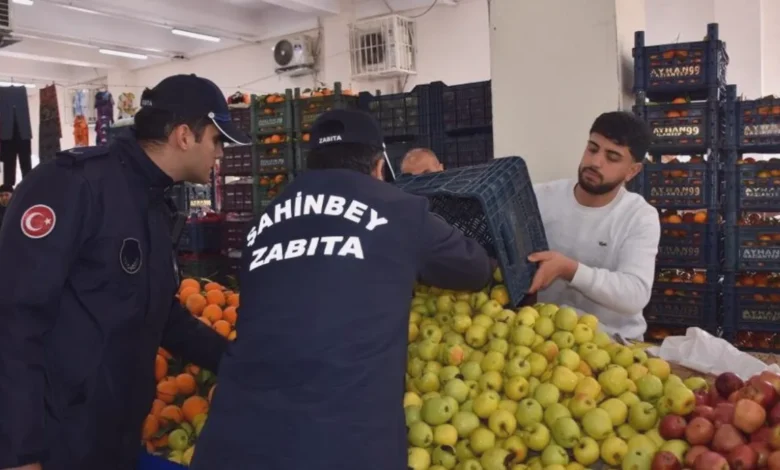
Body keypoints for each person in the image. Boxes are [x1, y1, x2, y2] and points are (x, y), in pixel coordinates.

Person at [190, 109, 492, 470]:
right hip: (342, 445)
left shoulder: (264, 222)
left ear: (312, 165)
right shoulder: (398, 210)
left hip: (232, 442)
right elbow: (474, 269)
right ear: (379, 167)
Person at [0, 74, 246, 470]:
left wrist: (241, 360)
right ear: (185, 136)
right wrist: (17, 452)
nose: (220, 153)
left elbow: (162, 315)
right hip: (56, 441)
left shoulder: (153, 200)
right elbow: (15, 318)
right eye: (217, 140)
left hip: (114, 435)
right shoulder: (73, 185)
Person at [529, 111, 660, 340]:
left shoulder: (640, 216)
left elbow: (635, 293)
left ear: (632, 171)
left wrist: (569, 269)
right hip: (544, 338)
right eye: (592, 148)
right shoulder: (541, 197)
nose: (595, 162)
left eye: (612, 157)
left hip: (615, 345)